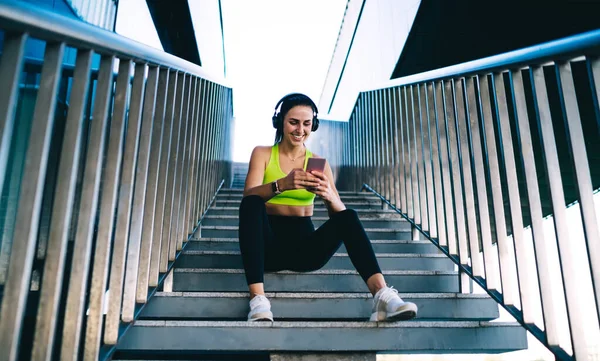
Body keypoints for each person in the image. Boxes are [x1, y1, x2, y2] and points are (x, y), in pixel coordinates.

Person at [238, 93, 418, 322]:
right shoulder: (262, 153)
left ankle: (382, 296)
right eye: (293, 122)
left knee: (348, 215)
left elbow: (339, 217)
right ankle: (258, 300)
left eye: (306, 123)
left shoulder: (319, 163)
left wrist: (329, 196)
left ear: (313, 125)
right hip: (266, 248)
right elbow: (248, 197)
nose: (300, 130)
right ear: (280, 122)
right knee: (252, 202)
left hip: (305, 250)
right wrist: (281, 185)